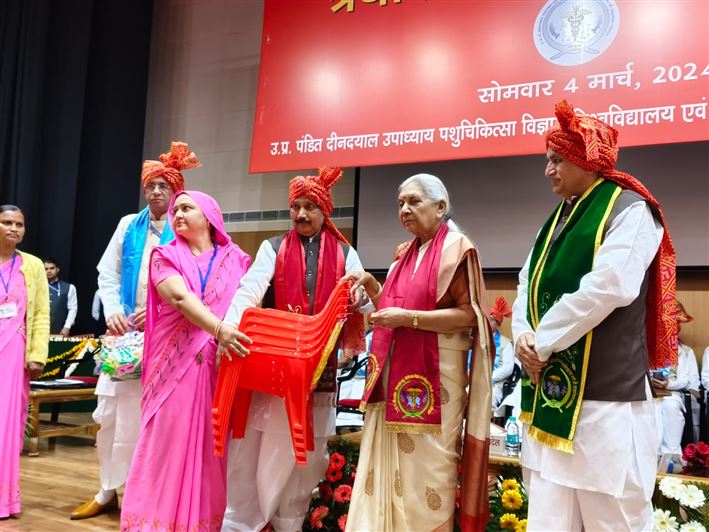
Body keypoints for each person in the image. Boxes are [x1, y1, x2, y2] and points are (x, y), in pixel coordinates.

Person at [512, 100, 678, 531]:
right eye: (548, 160)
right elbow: (524, 285)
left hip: (607, 411)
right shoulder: (555, 221)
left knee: (613, 521)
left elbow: (610, 287)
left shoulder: (631, 210)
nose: (548, 170)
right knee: (548, 520)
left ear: (587, 159)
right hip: (552, 404)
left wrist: (541, 342)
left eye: (556, 160)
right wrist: (522, 339)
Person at [222, 167, 369, 532]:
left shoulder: (346, 253)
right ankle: (249, 521)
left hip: (320, 369)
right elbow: (249, 290)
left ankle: (289, 521)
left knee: (307, 454)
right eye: (295, 207)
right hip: (274, 365)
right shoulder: (272, 247)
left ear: (325, 211)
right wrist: (227, 327)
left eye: (310, 207)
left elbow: (364, 302)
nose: (301, 214)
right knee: (262, 447)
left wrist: (360, 296)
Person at [344, 173, 493, 532]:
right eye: (400, 204)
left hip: (438, 381)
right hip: (397, 379)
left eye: (414, 201)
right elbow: (390, 314)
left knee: (429, 476)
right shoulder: (404, 255)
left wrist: (409, 318)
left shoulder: (457, 248)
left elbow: (471, 314)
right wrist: (372, 285)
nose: (405, 209)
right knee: (393, 478)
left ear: (441, 207)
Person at [71, 141, 201, 520]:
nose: (156, 192)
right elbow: (106, 272)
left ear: (178, 190)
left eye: (164, 186)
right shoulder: (128, 224)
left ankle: (144, 494)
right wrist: (112, 310)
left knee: (152, 418)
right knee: (110, 414)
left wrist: (162, 313)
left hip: (167, 340)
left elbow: (195, 285)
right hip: (124, 335)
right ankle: (106, 489)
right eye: (151, 186)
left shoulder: (187, 229)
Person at [120, 191, 251, 531]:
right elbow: (178, 296)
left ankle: (198, 524)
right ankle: (151, 523)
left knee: (210, 446)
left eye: (186, 208)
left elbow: (248, 306)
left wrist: (226, 336)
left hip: (217, 366)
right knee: (165, 442)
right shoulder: (164, 255)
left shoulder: (238, 259)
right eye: (175, 209)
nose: (177, 214)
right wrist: (219, 328)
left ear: (209, 217)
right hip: (171, 368)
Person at [0, 204, 49, 519]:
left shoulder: (32, 265)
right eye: (6, 222)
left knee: (6, 425)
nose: (13, 228)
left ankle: (4, 499)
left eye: (19, 224)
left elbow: (43, 312)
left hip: (15, 352)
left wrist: (37, 355)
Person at [490, 296, 515, 412]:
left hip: (494, 383)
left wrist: (488, 378)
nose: (487, 322)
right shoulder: (474, 340)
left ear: (498, 323)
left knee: (488, 397)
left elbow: (508, 368)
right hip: (472, 380)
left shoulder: (505, 343)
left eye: (491, 319)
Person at [44, 258, 78, 336]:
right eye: (46, 269)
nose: (49, 271)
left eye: (52, 268)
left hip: (60, 330)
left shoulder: (69, 287)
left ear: (57, 269)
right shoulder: (37, 287)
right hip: (40, 330)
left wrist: (67, 327)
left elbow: (73, 308)